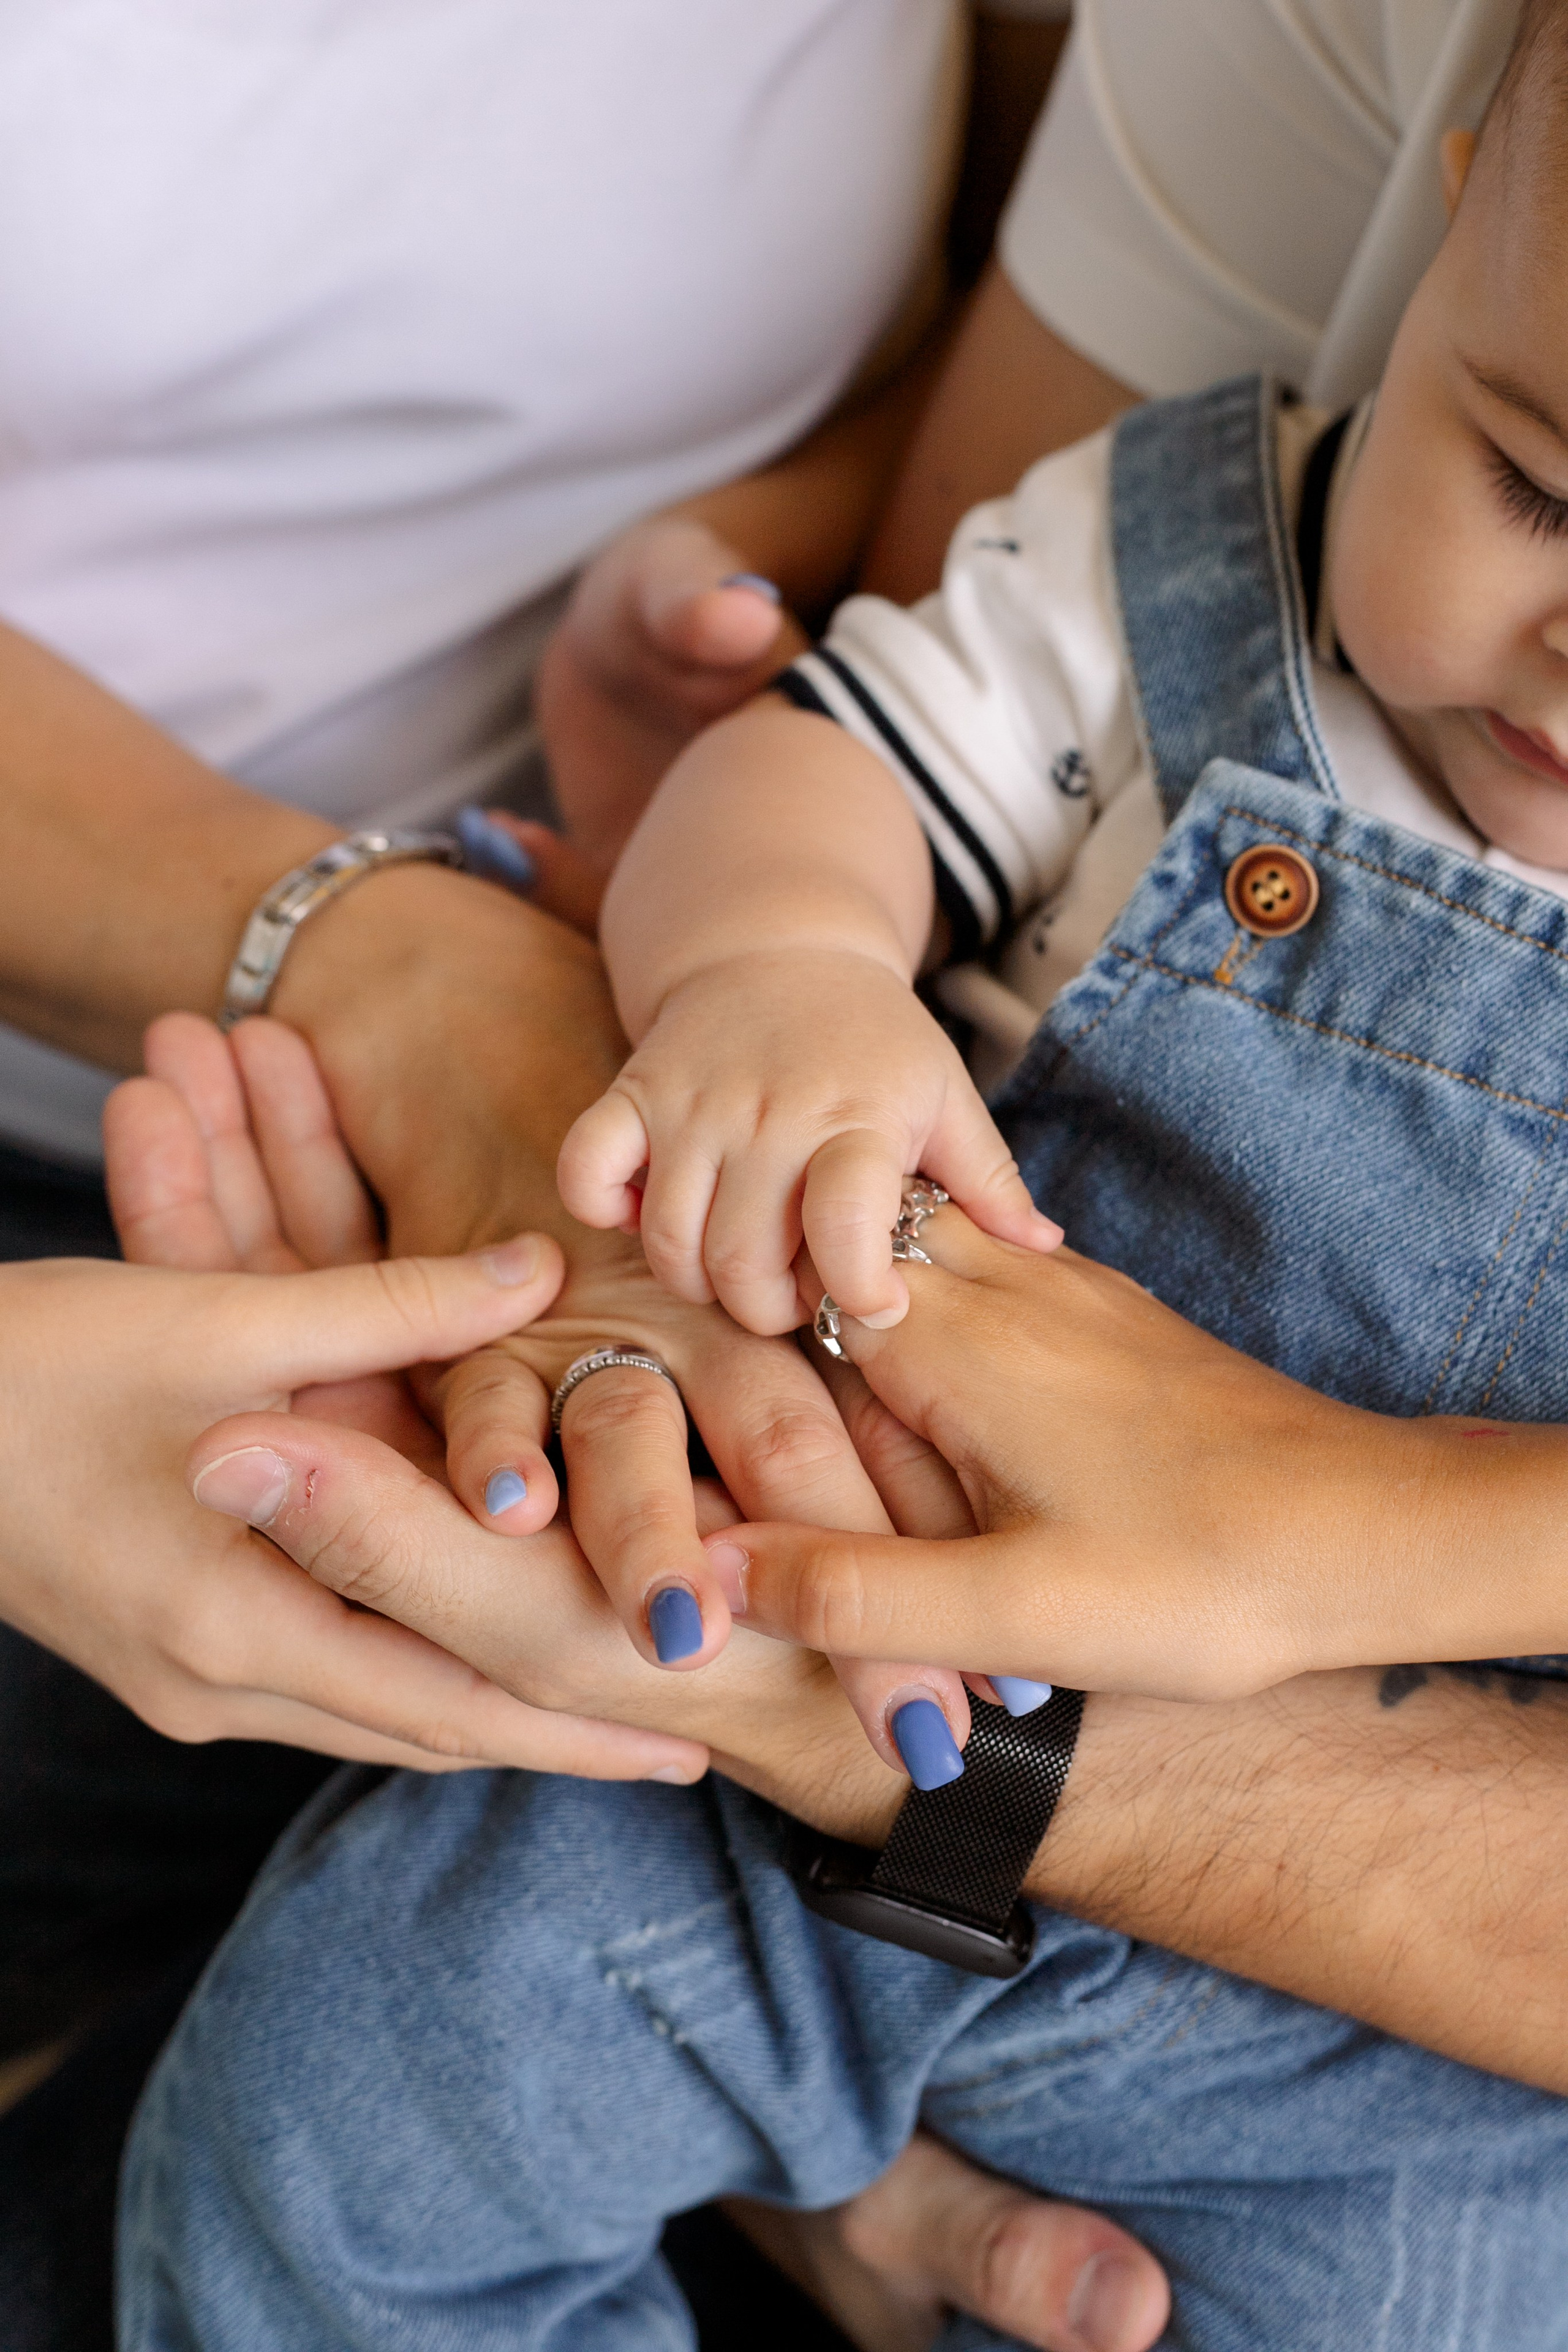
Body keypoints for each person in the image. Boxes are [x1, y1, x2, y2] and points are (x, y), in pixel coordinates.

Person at [117, 16, 1568, 2347]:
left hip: (1399, 2039)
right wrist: (785, 965)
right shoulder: (1182, 571)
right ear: (1458, 171)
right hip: (741, 1772)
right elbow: (834, 768)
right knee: (321, 2144)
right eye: (1540, 487)